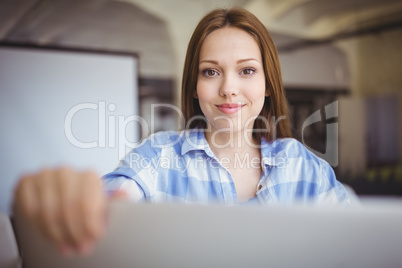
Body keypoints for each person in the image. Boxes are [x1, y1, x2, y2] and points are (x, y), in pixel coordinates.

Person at [13, 7, 351, 257]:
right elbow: (109, 202)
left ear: (267, 85)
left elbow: (360, 245)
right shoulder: (158, 160)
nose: (229, 88)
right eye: (210, 72)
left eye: (247, 70)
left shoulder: (305, 168)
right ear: (194, 86)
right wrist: (70, 201)